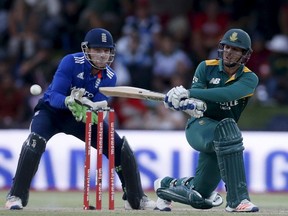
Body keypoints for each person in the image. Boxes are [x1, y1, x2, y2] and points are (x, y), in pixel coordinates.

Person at [5, 28, 155, 210]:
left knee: (118, 146)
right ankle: (16, 196)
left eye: (106, 51)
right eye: (98, 50)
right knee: (34, 142)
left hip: (80, 118)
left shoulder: (110, 77)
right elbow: (54, 96)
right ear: (87, 49)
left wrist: (91, 112)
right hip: (51, 113)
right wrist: (70, 101)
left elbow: (99, 105)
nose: (102, 55)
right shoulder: (70, 62)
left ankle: (136, 198)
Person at [153, 28, 260, 213]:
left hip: (223, 140)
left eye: (235, 49)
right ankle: (237, 200)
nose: (228, 51)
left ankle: (165, 186)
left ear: (244, 54)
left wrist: (189, 93)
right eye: (226, 47)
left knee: (201, 193)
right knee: (228, 130)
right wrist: (186, 102)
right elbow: (197, 101)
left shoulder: (250, 78)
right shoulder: (206, 67)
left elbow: (228, 94)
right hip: (199, 127)